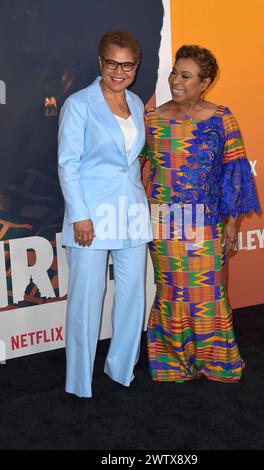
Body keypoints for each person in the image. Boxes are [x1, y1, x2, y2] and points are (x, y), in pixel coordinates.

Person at [141, 45, 259, 383]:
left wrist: (233, 224)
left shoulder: (222, 118)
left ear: (204, 82)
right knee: (171, 292)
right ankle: (172, 363)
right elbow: (133, 168)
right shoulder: (152, 119)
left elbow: (235, 174)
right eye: (175, 72)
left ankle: (216, 361)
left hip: (205, 223)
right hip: (162, 223)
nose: (175, 81)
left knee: (209, 294)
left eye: (185, 76)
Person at [58, 30, 152, 398]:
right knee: (85, 299)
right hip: (91, 218)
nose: (119, 71)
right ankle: (80, 381)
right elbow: (68, 165)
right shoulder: (79, 104)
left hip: (131, 213)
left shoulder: (137, 103)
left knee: (133, 297)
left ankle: (121, 369)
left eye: (127, 65)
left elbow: (132, 161)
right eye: (112, 63)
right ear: (100, 62)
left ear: (136, 67)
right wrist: (79, 216)